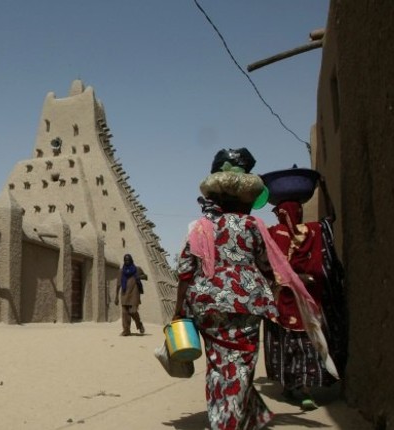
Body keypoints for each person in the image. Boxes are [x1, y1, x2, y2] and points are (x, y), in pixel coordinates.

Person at [171, 148, 333, 430]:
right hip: (247, 304)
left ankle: (229, 417)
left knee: (219, 364)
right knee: (241, 365)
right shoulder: (253, 226)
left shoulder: (200, 227)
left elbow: (185, 271)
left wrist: (178, 311)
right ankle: (229, 421)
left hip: (207, 305)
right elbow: (269, 266)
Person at [262, 177, 348, 410]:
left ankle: (300, 388)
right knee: (306, 343)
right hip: (308, 300)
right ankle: (300, 388)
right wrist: (325, 188)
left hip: (284, 302)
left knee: (288, 344)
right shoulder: (312, 231)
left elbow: (264, 263)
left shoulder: (272, 235)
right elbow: (331, 218)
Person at [114, 254, 147, 336]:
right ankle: (126, 330)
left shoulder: (137, 269)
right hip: (124, 294)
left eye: (128, 260)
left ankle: (139, 324)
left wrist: (139, 277)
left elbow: (145, 276)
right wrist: (116, 297)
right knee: (125, 314)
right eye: (125, 260)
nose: (127, 261)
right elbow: (118, 284)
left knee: (133, 311)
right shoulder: (121, 271)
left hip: (134, 294)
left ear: (131, 260)